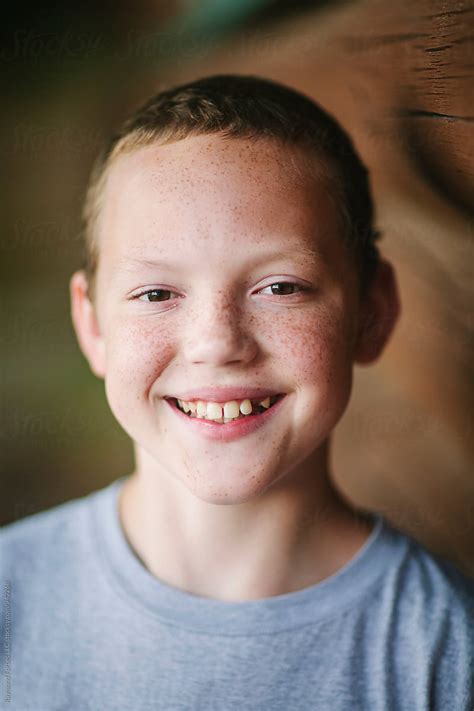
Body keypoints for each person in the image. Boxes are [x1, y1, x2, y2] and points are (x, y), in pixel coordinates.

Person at [1, 74, 473, 711]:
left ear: (373, 311)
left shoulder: (447, 653)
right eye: (156, 294)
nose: (216, 342)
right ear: (93, 326)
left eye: (280, 287)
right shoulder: (10, 599)